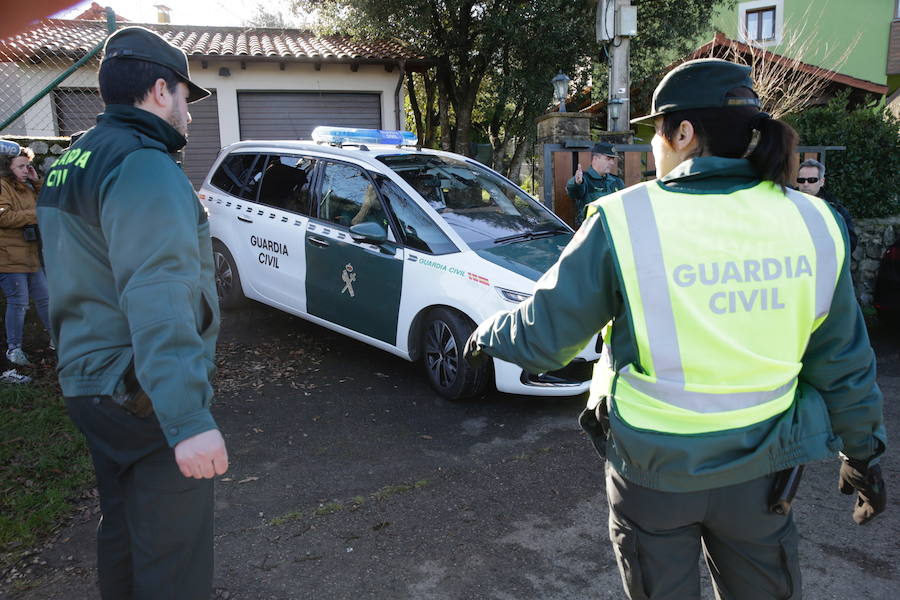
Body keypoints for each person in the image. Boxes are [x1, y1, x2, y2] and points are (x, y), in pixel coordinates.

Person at [464, 58, 886, 599]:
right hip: (761, 473)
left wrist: (487, 334)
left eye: (655, 133)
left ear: (684, 133)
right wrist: (863, 453)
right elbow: (843, 356)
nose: (654, 147)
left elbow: (545, 340)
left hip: (654, 474)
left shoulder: (625, 218)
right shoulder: (815, 221)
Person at [36, 26, 228, 599]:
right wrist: (187, 420)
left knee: (121, 529)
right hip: (141, 388)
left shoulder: (73, 159)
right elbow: (159, 291)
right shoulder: (144, 164)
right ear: (160, 90)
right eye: (186, 101)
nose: (190, 117)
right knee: (174, 558)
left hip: (89, 382)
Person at [0, 145, 51, 369]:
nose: (25, 169)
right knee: (18, 303)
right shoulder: (3, 186)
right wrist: (35, 215)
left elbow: (48, 201)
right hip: (9, 257)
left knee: (45, 298)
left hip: (31, 254)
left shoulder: (27, 186)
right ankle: (14, 349)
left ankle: (58, 340)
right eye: (20, 166)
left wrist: (36, 180)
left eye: (28, 165)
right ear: (7, 167)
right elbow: (4, 217)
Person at [797, 158, 857, 252]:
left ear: (822, 182)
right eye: (801, 180)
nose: (805, 184)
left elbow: (850, 243)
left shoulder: (836, 210)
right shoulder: (788, 204)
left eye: (812, 180)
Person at [565, 142, 624, 227]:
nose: (612, 163)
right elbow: (573, 190)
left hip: (614, 228)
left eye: (613, 159)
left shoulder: (617, 181)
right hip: (592, 231)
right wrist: (577, 183)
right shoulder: (585, 180)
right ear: (595, 159)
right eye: (608, 159)